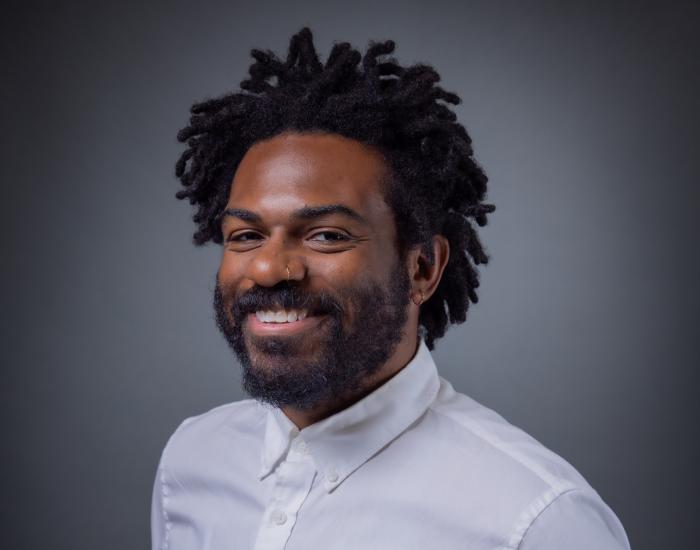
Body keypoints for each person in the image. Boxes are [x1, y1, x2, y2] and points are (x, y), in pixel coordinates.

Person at [151, 27, 631, 550]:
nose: (268, 269)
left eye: (327, 235)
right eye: (246, 236)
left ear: (422, 268)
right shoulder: (191, 463)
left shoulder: (534, 522)